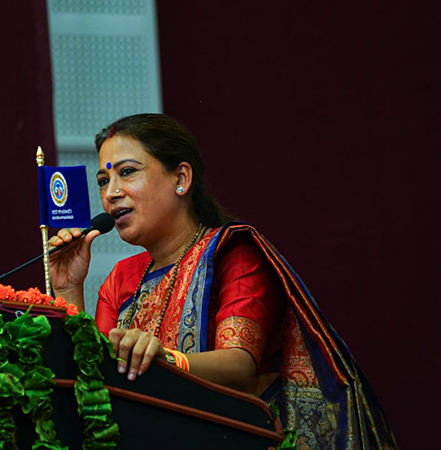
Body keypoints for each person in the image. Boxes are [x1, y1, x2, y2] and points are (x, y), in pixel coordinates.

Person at [49, 113, 397, 449]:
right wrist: (68, 289)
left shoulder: (232, 253)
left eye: (127, 172)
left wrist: (165, 360)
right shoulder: (121, 278)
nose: (111, 193)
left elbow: (237, 364)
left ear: (181, 178)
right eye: (103, 180)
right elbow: (95, 375)